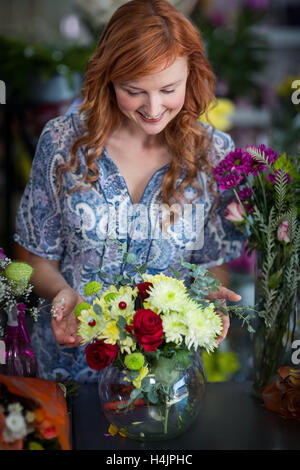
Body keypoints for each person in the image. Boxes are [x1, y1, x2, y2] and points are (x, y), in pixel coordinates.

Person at [14, 0, 246, 383]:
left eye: (169, 89)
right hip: (70, 369)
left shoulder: (213, 153)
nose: (153, 108)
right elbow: (36, 258)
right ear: (108, 78)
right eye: (133, 90)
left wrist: (210, 294)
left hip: (167, 379)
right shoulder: (63, 142)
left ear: (192, 74)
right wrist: (61, 294)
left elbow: (212, 261)